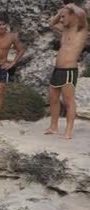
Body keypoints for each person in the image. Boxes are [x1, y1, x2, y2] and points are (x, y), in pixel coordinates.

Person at [45, 3, 88, 139]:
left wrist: (72, 6)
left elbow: (82, 14)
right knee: (53, 98)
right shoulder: (64, 29)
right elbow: (51, 24)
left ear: (72, 15)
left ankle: (68, 132)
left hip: (69, 70)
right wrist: (61, 13)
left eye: (64, 17)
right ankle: (54, 126)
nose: (61, 20)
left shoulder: (82, 29)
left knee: (69, 101)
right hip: (58, 69)